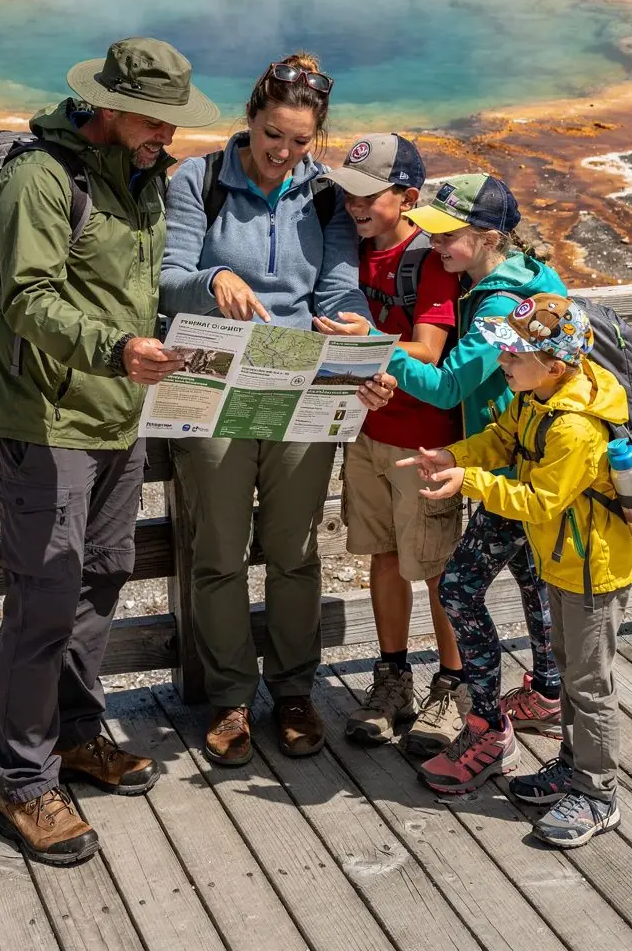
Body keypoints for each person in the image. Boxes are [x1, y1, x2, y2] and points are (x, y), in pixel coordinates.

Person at [0, 37, 219, 867]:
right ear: (109, 108)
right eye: (155, 120)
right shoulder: (40, 178)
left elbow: (134, 291)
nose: (168, 136)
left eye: (173, 122)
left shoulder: (143, 178)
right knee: (44, 599)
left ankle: (76, 737)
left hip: (119, 414)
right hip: (46, 419)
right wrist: (116, 349)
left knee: (103, 576)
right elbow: (28, 299)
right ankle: (23, 781)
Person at [160, 52, 394, 768]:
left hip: (301, 385)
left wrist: (354, 325)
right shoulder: (197, 179)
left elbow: (338, 290)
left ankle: (294, 692)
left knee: (295, 552)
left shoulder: (324, 194)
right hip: (214, 386)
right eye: (272, 136)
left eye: (299, 141)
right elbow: (168, 281)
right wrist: (213, 280)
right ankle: (231, 697)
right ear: (251, 119)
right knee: (219, 553)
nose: (283, 153)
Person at [407, 293, 632, 846]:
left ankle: (598, 794)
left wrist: (469, 482)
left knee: (589, 684)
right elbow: (502, 438)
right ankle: (574, 767)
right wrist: (455, 456)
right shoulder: (536, 399)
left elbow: (539, 502)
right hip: (564, 565)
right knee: (569, 667)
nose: (503, 362)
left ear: (554, 365)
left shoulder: (574, 428)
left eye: (514, 355)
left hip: (593, 573)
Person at [362, 173, 568, 778]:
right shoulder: (528, 276)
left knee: (456, 587)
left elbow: (448, 385)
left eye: (447, 236)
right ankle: (548, 693)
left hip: (514, 469)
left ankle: (486, 725)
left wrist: (375, 343)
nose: (434, 245)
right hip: (532, 459)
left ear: (486, 238)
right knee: (532, 580)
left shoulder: (500, 305)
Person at [313, 134, 466, 752]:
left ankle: (452, 687)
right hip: (366, 435)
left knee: (436, 570)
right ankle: (393, 681)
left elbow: (429, 351)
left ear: (407, 197)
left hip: (423, 444)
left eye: (368, 195)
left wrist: (366, 339)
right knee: (382, 556)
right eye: (348, 194)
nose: (354, 206)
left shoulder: (429, 259)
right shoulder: (347, 250)